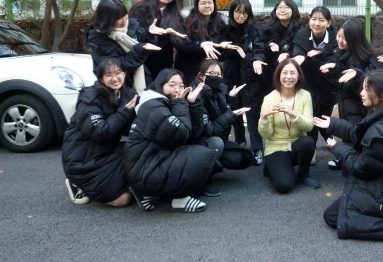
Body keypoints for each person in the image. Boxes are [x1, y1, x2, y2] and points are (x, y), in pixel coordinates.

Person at [313, 70, 383, 241]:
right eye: (362, 88)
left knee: (333, 217)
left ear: (382, 95)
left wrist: (337, 147)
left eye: (367, 89)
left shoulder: (382, 131)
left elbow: (361, 168)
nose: (361, 93)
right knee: (341, 212)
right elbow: (360, 133)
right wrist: (333, 124)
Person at [124, 69, 220, 213]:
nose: (177, 89)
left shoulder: (168, 103)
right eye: (172, 85)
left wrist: (192, 103)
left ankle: (148, 194)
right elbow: (181, 134)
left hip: (149, 165)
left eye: (181, 86)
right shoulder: (154, 106)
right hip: (144, 172)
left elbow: (195, 133)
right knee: (202, 154)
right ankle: (180, 199)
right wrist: (181, 103)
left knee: (203, 147)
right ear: (160, 85)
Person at [61, 58, 138, 207]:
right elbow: (100, 132)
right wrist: (124, 112)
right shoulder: (90, 97)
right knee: (123, 199)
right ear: (101, 79)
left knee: (137, 150)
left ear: (124, 74)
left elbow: (128, 129)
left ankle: (108, 182)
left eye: (118, 73)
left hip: (104, 153)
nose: (114, 78)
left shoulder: (127, 95)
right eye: (109, 75)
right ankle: (77, 183)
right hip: (82, 162)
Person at [320, 18, 383, 170]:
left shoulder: (365, 58)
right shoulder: (341, 53)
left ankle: (354, 162)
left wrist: (356, 75)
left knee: (357, 133)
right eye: (339, 36)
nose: (340, 40)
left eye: (345, 38)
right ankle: (345, 157)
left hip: (360, 106)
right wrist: (334, 69)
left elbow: (367, 85)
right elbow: (339, 83)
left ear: (354, 39)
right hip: (347, 104)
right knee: (348, 131)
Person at [190, 59, 256, 197]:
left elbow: (225, 119)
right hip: (198, 143)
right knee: (217, 143)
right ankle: (202, 180)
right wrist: (231, 115)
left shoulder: (218, 91)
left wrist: (231, 98)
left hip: (215, 139)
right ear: (201, 75)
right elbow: (210, 130)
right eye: (212, 73)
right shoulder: (196, 96)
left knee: (236, 157)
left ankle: (210, 168)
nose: (216, 77)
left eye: (219, 74)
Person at [258, 59, 320, 193]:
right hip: (276, 147)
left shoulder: (305, 95)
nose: (289, 76)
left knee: (308, 141)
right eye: (285, 73)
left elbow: (309, 126)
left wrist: (293, 113)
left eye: (293, 73)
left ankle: (304, 174)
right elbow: (265, 134)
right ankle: (273, 167)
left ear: (298, 76)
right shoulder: (269, 98)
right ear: (278, 76)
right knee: (284, 186)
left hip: (297, 145)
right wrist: (264, 118)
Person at [219, 0, 267, 164]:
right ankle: (240, 141)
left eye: (245, 13)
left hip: (251, 78)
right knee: (234, 110)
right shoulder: (225, 30)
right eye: (238, 12)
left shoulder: (255, 30)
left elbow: (260, 50)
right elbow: (220, 53)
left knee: (252, 113)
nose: (241, 16)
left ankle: (257, 149)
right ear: (232, 12)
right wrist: (230, 50)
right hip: (231, 76)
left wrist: (254, 59)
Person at [86, 0, 161, 92]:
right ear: (107, 19)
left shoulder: (132, 24)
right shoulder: (98, 39)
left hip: (143, 80)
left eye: (124, 14)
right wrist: (140, 49)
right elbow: (118, 66)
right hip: (116, 89)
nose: (124, 20)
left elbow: (148, 51)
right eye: (118, 18)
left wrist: (149, 35)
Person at [292, 6, 338, 162]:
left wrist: (322, 52)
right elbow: (298, 51)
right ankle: (311, 149)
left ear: (329, 23)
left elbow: (338, 55)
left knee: (324, 116)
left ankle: (331, 140)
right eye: (313, 19)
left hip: (328, 83)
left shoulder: (335, 36)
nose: (317, 23)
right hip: (308, 81)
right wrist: (300, 57)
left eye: (321, 20)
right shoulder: (302, 34)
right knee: (310, 116)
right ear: (309, 20)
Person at [129, 0, 186, 79]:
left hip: (163, 65)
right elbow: (132, 36)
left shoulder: (176, 16)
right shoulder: (140, 9)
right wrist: (149, 33)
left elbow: (181, 43)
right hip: (141, 61)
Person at [175, 0, 228, 85]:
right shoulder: (186, 22)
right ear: (197, 5)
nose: (207, 6)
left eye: (210, 3)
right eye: (203, 3)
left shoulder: (221, 23)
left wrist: (224, 47)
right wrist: (200, 45)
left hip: (211, 73)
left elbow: (222, 53)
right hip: (188, 71)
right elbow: (181, 45)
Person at [261, 0, 302, 80]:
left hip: (290, 73)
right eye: (279, 7)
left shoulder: (300, 31)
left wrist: (287, 53)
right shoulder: (267, 27)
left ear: (293, 10)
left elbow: (301, 50)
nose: (282, 10)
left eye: (286, 7)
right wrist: (270, 44)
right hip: (269, 71)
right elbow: (260, 43)